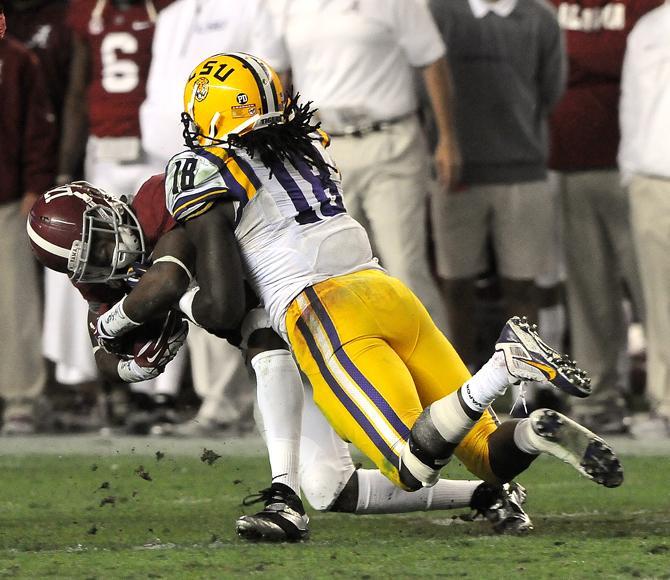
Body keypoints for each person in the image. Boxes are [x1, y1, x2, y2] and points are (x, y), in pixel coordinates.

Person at [165, 52, 624, 531]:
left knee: (412, 466)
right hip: (386, 292)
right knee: (490, 455)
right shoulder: (312, 145)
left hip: (324, 309)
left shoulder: (203, 167)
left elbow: (224, 306)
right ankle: (535, 431)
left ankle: (503, 364)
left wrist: (172, 298)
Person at [27, 180, 534, 541]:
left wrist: (123, 320)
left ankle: (280, 498)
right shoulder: (98, 278)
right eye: (90, 260)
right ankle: (487, 496)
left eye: (102, 240)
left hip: (298, 302)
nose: (109, 259)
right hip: (277, 323)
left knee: (267, 347)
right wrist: (129, 367)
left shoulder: (160, 198)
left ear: (107, 206)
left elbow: (170, 286)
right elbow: (101, 353)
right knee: (331, 489)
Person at [138, 0, 291, 437]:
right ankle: (218, 402)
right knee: (206, 279)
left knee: (237, 285)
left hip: (232, 169)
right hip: (177, 164)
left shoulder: (249, 8)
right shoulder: (171, 16)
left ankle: (247, 402)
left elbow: (272, 84)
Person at [270, 0, 453, 331]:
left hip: (389, 143)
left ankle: (443, 377)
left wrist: (448, 138)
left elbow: (432, 60)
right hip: (320, 148)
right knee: (334, 272)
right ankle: (359, 371)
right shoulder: (285, 5)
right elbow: (277, 76)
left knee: (404, 267)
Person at [44, 0, 181, 432]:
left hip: (155, 154)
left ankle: (161, 391)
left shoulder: (168, 11)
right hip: (104, 153)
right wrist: (66, 169)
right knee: (92, 261)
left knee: (165, 261)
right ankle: (104, 383)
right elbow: (77, 92)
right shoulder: (90, 12)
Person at [427, 0, 566, 371]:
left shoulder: (541, 18)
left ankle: (525, 385)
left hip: (522, 169)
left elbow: (551, 89)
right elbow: (422, 84)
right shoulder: (438, 13)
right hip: (455, 171)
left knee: (523, 286)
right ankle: (458, 384)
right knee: (456, 286)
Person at [548, 0, 661, 433]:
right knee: (589, 294)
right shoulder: (553, 5)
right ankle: (598, 399)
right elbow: (546, 71)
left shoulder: (646, 6)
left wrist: (578, 69)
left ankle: (662, 398)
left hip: (640, 166)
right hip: (572, 161)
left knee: (655, 291)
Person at [0, 1, 55, 434]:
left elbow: (37, 127)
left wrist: (35, 184)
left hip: (6, 197)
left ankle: (21, 395)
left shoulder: (17, 59)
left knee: (15, 304)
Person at [618, 0, 670, 437]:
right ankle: (666, 403)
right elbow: (632, 102)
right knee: (660, 297)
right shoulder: (649, 27)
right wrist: (630, 169)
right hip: (655, 177)